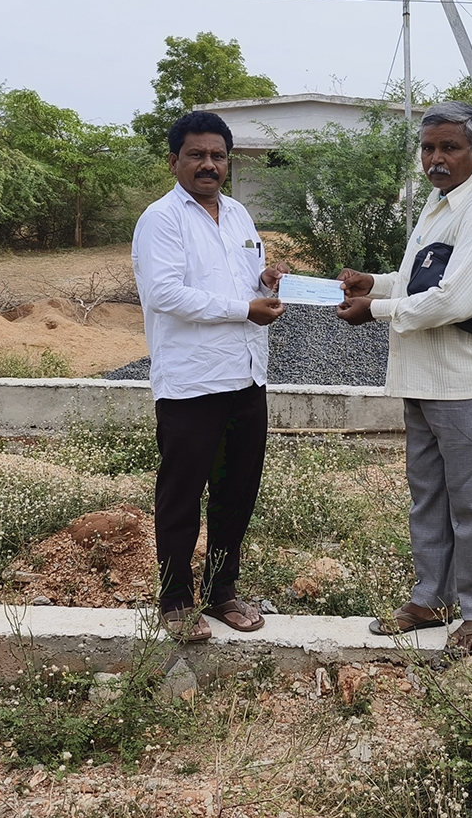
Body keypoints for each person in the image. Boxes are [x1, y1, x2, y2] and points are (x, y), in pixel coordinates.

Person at [336, 101, 472, 657]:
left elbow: (454, 299)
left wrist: (376, 310)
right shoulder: (439, 203)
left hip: (468, 383)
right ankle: (432, 599)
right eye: (428, 148)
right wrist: (376, 283)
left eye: (449, 148)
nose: (436, 158)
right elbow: (420, 279)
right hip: (424, 377)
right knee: (429, 496)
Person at [131, 110, 287, 643]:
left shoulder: (239, 214)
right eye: (196, 155)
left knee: (235, 492)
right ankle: (175, 600)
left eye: (218, 156)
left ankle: (222, 592)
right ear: (174, 161)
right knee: (182, 494)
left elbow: (244, 281)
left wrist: (264, 279)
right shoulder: (161, 219)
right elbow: (165, 294)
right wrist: (245, 309)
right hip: (193, 382)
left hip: (246, 376)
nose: (208, 165)